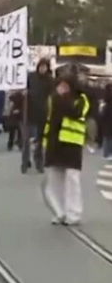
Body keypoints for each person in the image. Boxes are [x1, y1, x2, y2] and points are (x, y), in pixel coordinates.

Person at [42, 70, 89, 225]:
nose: (61, 88)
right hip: (55, 142)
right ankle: (60, 211)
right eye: (60, 84)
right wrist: (43, 141)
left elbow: (75, 113)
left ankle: (74, 214)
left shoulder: (81, 99)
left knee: (72, 179)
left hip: (72, 143)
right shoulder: (53, 98)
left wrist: (62, 98)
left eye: (65, 85)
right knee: (54, 180)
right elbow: (49, 118)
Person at [24, 58, 53, 173]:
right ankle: (25, 160)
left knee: (40, 140)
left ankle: (39, 161)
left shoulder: (50, 80)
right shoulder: (31, 77)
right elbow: (24, 89)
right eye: (41, 66)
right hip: (29, 111)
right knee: (26, 138)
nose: (42, 69)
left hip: (42, 113)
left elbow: (51, 96)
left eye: (45, 67)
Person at [100, 83, 112, 160]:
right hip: (109, 116)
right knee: (109, 137)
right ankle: (108, 153)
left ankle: (106, 153)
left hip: (106, 117)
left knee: (107, 136)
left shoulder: (105, 98)